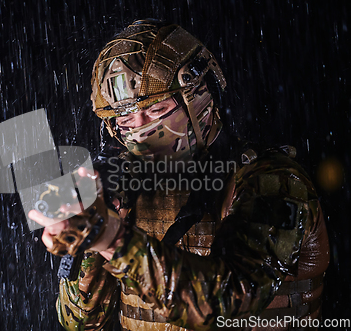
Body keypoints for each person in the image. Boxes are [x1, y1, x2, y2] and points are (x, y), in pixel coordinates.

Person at [28, 19, 329, 330]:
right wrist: (90, 240)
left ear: (199, 95)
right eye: (126, 119)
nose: (141, 130)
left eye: (156, 109)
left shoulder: (273, 181)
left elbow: (223, 306)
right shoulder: (125, 183)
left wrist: (114, 238)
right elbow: (80, 322)